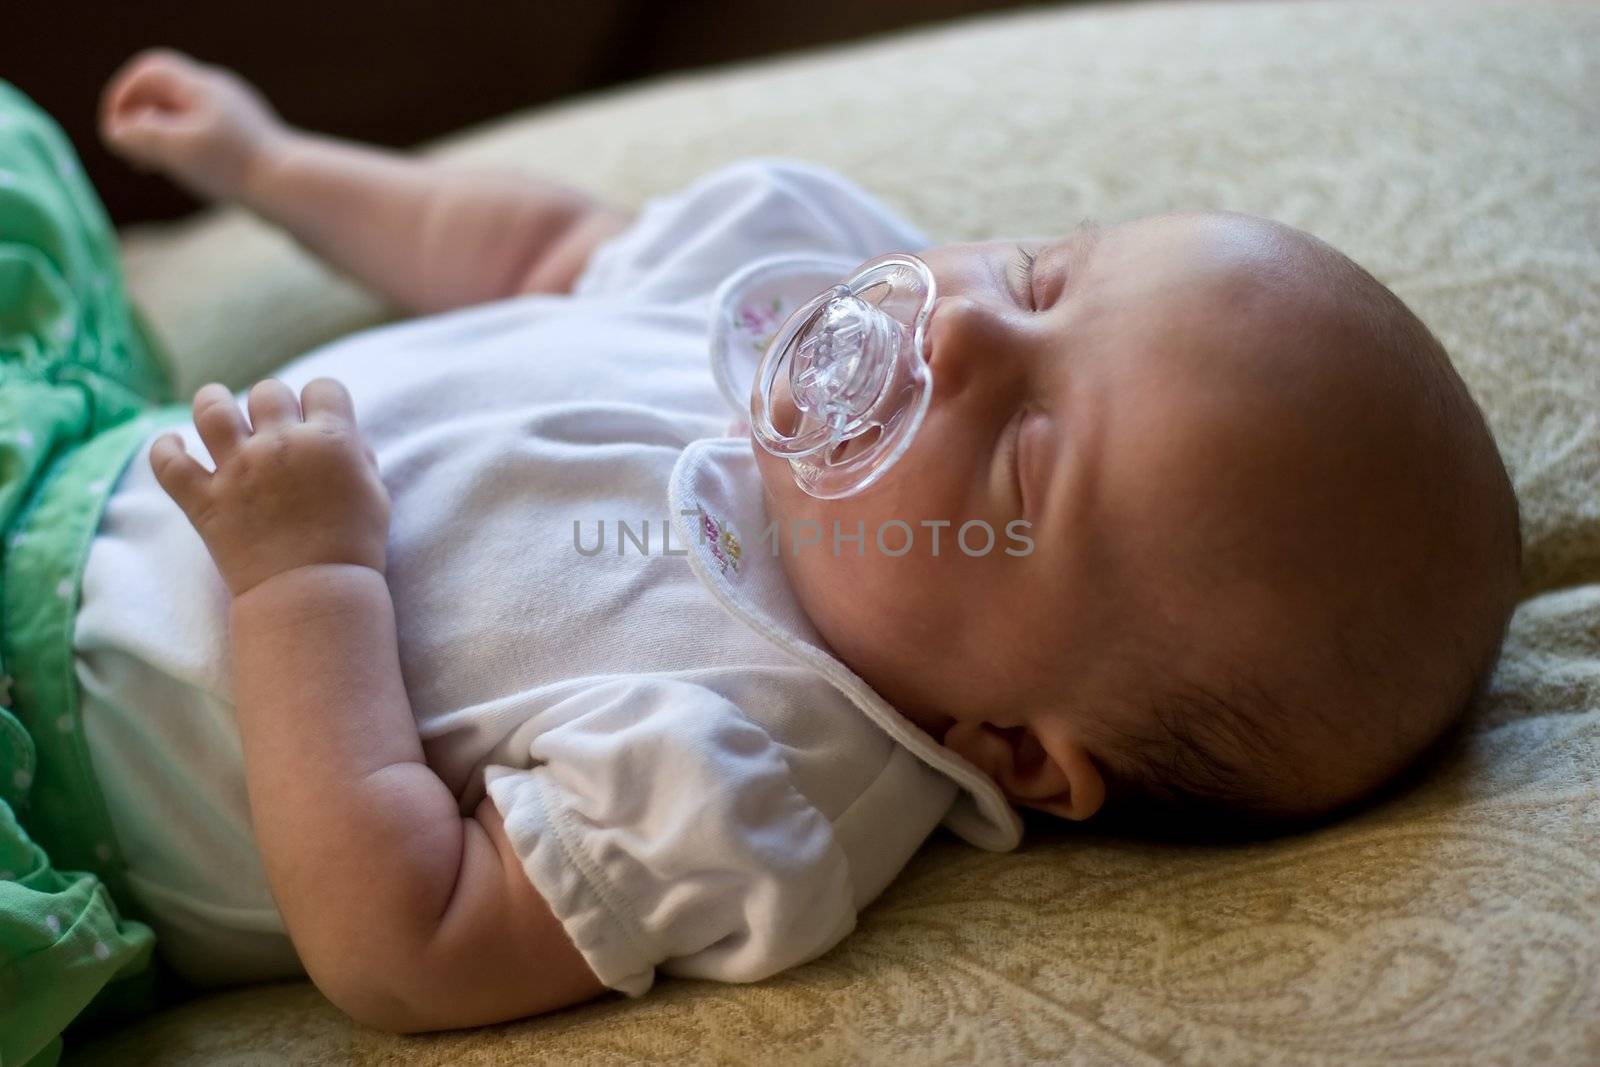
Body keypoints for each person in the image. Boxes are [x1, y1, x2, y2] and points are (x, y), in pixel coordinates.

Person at [0, 47, 1520, 1061]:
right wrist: (275, 167)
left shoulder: (749, 771)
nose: (968, 324)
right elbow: (534, 250)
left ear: (1011, 747)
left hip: (50, 768)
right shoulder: (776, 276)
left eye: (1026, 451)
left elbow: (407, 944)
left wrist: (302, 585)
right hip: (71, 450)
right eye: (1049, 271)